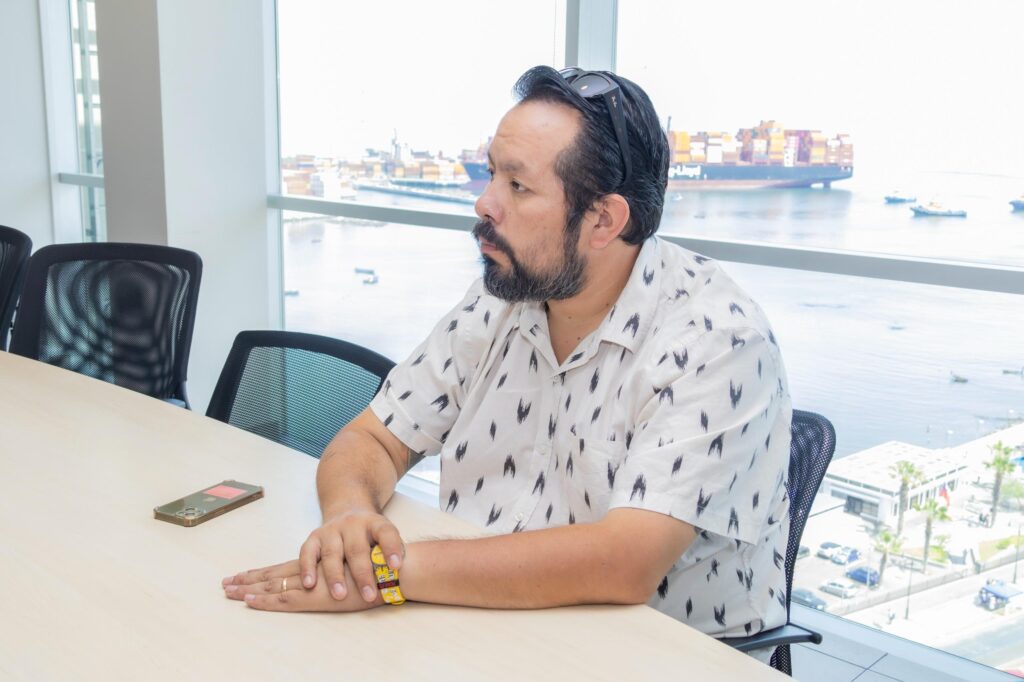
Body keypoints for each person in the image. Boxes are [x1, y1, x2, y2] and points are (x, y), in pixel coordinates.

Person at [223, 65, 793, 654]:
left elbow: (624, 563)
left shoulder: (719, 339)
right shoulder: (503, 296)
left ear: (603, 220)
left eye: (517, 186)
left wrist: (386, 577)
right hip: (478, 622)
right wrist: (347, 518)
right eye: (493, 172)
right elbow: (374, 437)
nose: (485, 202)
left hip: (652, 656)